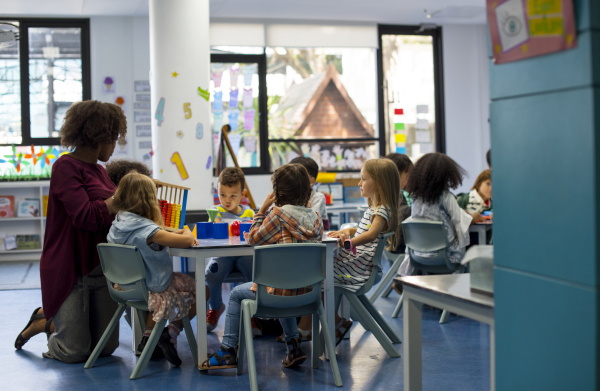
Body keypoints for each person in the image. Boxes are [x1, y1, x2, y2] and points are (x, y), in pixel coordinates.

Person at [14, 100, 126, 363]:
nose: (115, 146)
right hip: (70, 269)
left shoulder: (100, 171)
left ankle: (53, 318)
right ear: (101, 137)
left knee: (106, 347)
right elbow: (86, 216)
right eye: (114, 139)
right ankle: (45, 320)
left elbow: (111, 215)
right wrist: (121, 198)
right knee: (74, 351)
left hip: (100, 268)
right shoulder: (65, 167)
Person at [200, 163, 323, 370]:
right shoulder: (316, 218)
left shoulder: (277, 215)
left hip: (277, 294)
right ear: (307, 190)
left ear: (277, 192)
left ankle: (228, 350)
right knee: (286, 284)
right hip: (308, 294)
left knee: (237, 294)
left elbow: (253, 238)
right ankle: (293, 346)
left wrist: (263, 210)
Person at [108, 172, 206, 367]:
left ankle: (149, 337)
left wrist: (169, 231)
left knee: (176, 288)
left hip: (125, 288)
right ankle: (171, 332)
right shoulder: (150, 232)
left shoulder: (117, 225)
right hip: (153, 287)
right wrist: (185, 229)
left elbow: (156, 231)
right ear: (149, 201)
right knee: (205, 291)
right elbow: (187, 240)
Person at [325, 158, 400, 342]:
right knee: (321, 276)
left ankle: (334, 324)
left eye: (364, 179)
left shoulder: (381, 210)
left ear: (380, 184)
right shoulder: (375, 209)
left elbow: (371, 234)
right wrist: (347, 231)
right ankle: (337, 323)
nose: (359, 183)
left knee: (320, 277)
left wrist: (349, 243)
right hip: (357, 266)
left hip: (359, 269)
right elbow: (362, 230)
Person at [397, 153, 482, 278]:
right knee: (476, 240)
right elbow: (461, 222)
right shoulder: (445, 196)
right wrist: (475, 216)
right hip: (446, 256)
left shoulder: (416, 198)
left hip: (419, 254)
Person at [205, 167, 255, 334]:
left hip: (244, 255)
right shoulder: (216, 211)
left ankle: (253, 314)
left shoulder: (249, 213)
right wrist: (216, 219)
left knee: (255, 272)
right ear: (217, 192)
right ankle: (216, 308)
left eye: (233, 195)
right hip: (223, 256)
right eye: (222, 194)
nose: (227, 200)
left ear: (243, 194)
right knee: (211, 273)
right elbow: (216, 225)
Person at [384, 152, 414, 253]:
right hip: (398, 244)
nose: (409, 178)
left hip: (388, 242)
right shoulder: (395, 193)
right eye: (407, 174)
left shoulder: (384, 191)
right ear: (397, 174)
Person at [289, 156, 329, 229]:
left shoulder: (317, 197)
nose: (291, 180)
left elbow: (311, 223)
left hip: (318, 237)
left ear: (311, 181)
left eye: (296, 177)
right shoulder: (291, 195)